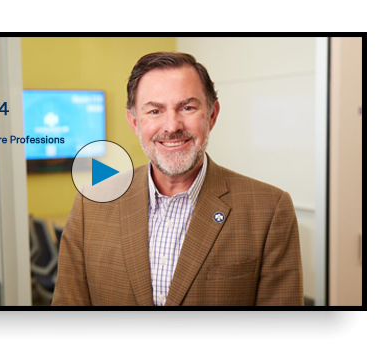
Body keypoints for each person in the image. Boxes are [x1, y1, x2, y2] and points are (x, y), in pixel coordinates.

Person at [52, 52, 303, 306]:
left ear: (212, 115)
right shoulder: (90, 205)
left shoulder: (270, 209)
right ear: (135, 122)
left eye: (187, 107)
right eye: (154, 110)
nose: (172, 126)